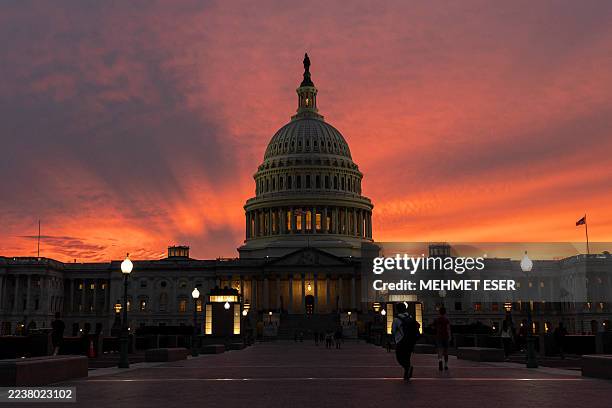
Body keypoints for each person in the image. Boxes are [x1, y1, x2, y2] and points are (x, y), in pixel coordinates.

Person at [391, 303, 420, 380]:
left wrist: (394, 338)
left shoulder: (396, 319)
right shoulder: (410, 317)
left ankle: (407, 368)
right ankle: (406, 374)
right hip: (411, 340)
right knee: (407, 357)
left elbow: (393, 331)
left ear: (397, 309)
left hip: (401, 341)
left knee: (399, 357)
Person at [433, 307, 451, 371]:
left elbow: (434, 327)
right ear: (445, 312)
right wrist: (450, 336)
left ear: (439, 312)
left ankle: (440, 361)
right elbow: (448, 328)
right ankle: (446, 365)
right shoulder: (446, 319)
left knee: (440, 350)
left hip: (439, 336)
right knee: (446, 351)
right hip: (445, 336)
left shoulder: (436, 319)